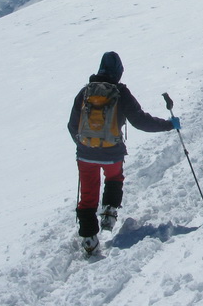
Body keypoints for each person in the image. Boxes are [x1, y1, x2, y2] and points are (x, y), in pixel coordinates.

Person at [67, 51, 177, 252]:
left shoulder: (85, 93)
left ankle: (89, 239)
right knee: (114, 177)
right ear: (119, 72)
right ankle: (109, 210)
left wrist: (83, 145)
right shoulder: (120, 93)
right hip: (112, 153)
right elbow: (141, 121)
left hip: (85, 154)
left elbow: (72, 125)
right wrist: (168, 125)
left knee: (88, 193)